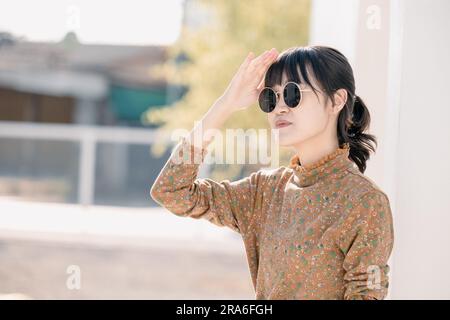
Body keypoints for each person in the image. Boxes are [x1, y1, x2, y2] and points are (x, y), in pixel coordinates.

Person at [150, 45, 394, 300]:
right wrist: (225, 105)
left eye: (292, 94)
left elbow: (368, 295)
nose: (279, 108)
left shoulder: (365, 202)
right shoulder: (264, 190)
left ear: (337, 100)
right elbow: (170, 191)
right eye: (270, 97)